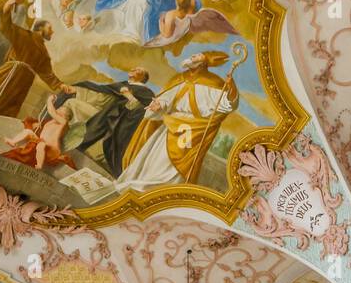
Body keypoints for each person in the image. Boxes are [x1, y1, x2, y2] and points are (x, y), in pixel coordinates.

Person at [118, 50, 236, 190]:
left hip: (192, 129)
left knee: (170, 162)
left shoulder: (213, 83)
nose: (193, 55)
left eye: (197, 55)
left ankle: (162, 187)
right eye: (194, 54)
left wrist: (230, 88)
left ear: (203, 63)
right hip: (170, 124)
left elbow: (227, 104)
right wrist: (159, 104)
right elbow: (168, 98)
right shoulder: (180, 78)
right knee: (154, 157)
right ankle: (144, 181)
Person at [65, 68, 155, 176]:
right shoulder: (123, 85)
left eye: (137, 70)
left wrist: (130, 97)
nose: (133, 69)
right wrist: (78, 91)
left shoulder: (146, 92)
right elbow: (101, 97)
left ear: (143, 77)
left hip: (118, 126)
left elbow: (143, 113)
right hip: (103, 116)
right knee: (72, 103)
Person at [2, 92, 77, 170]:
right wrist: (36, 124)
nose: (58, 109)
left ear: (66, 116)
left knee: (41, 145)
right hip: (41, 142)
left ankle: (39, 165)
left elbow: (51, 111)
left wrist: (49, 100)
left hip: (52, 150)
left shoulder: (63, 122)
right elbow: (45, 129)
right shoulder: (52, 121)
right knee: (28, 132)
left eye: (61, 109)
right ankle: (13, 141)